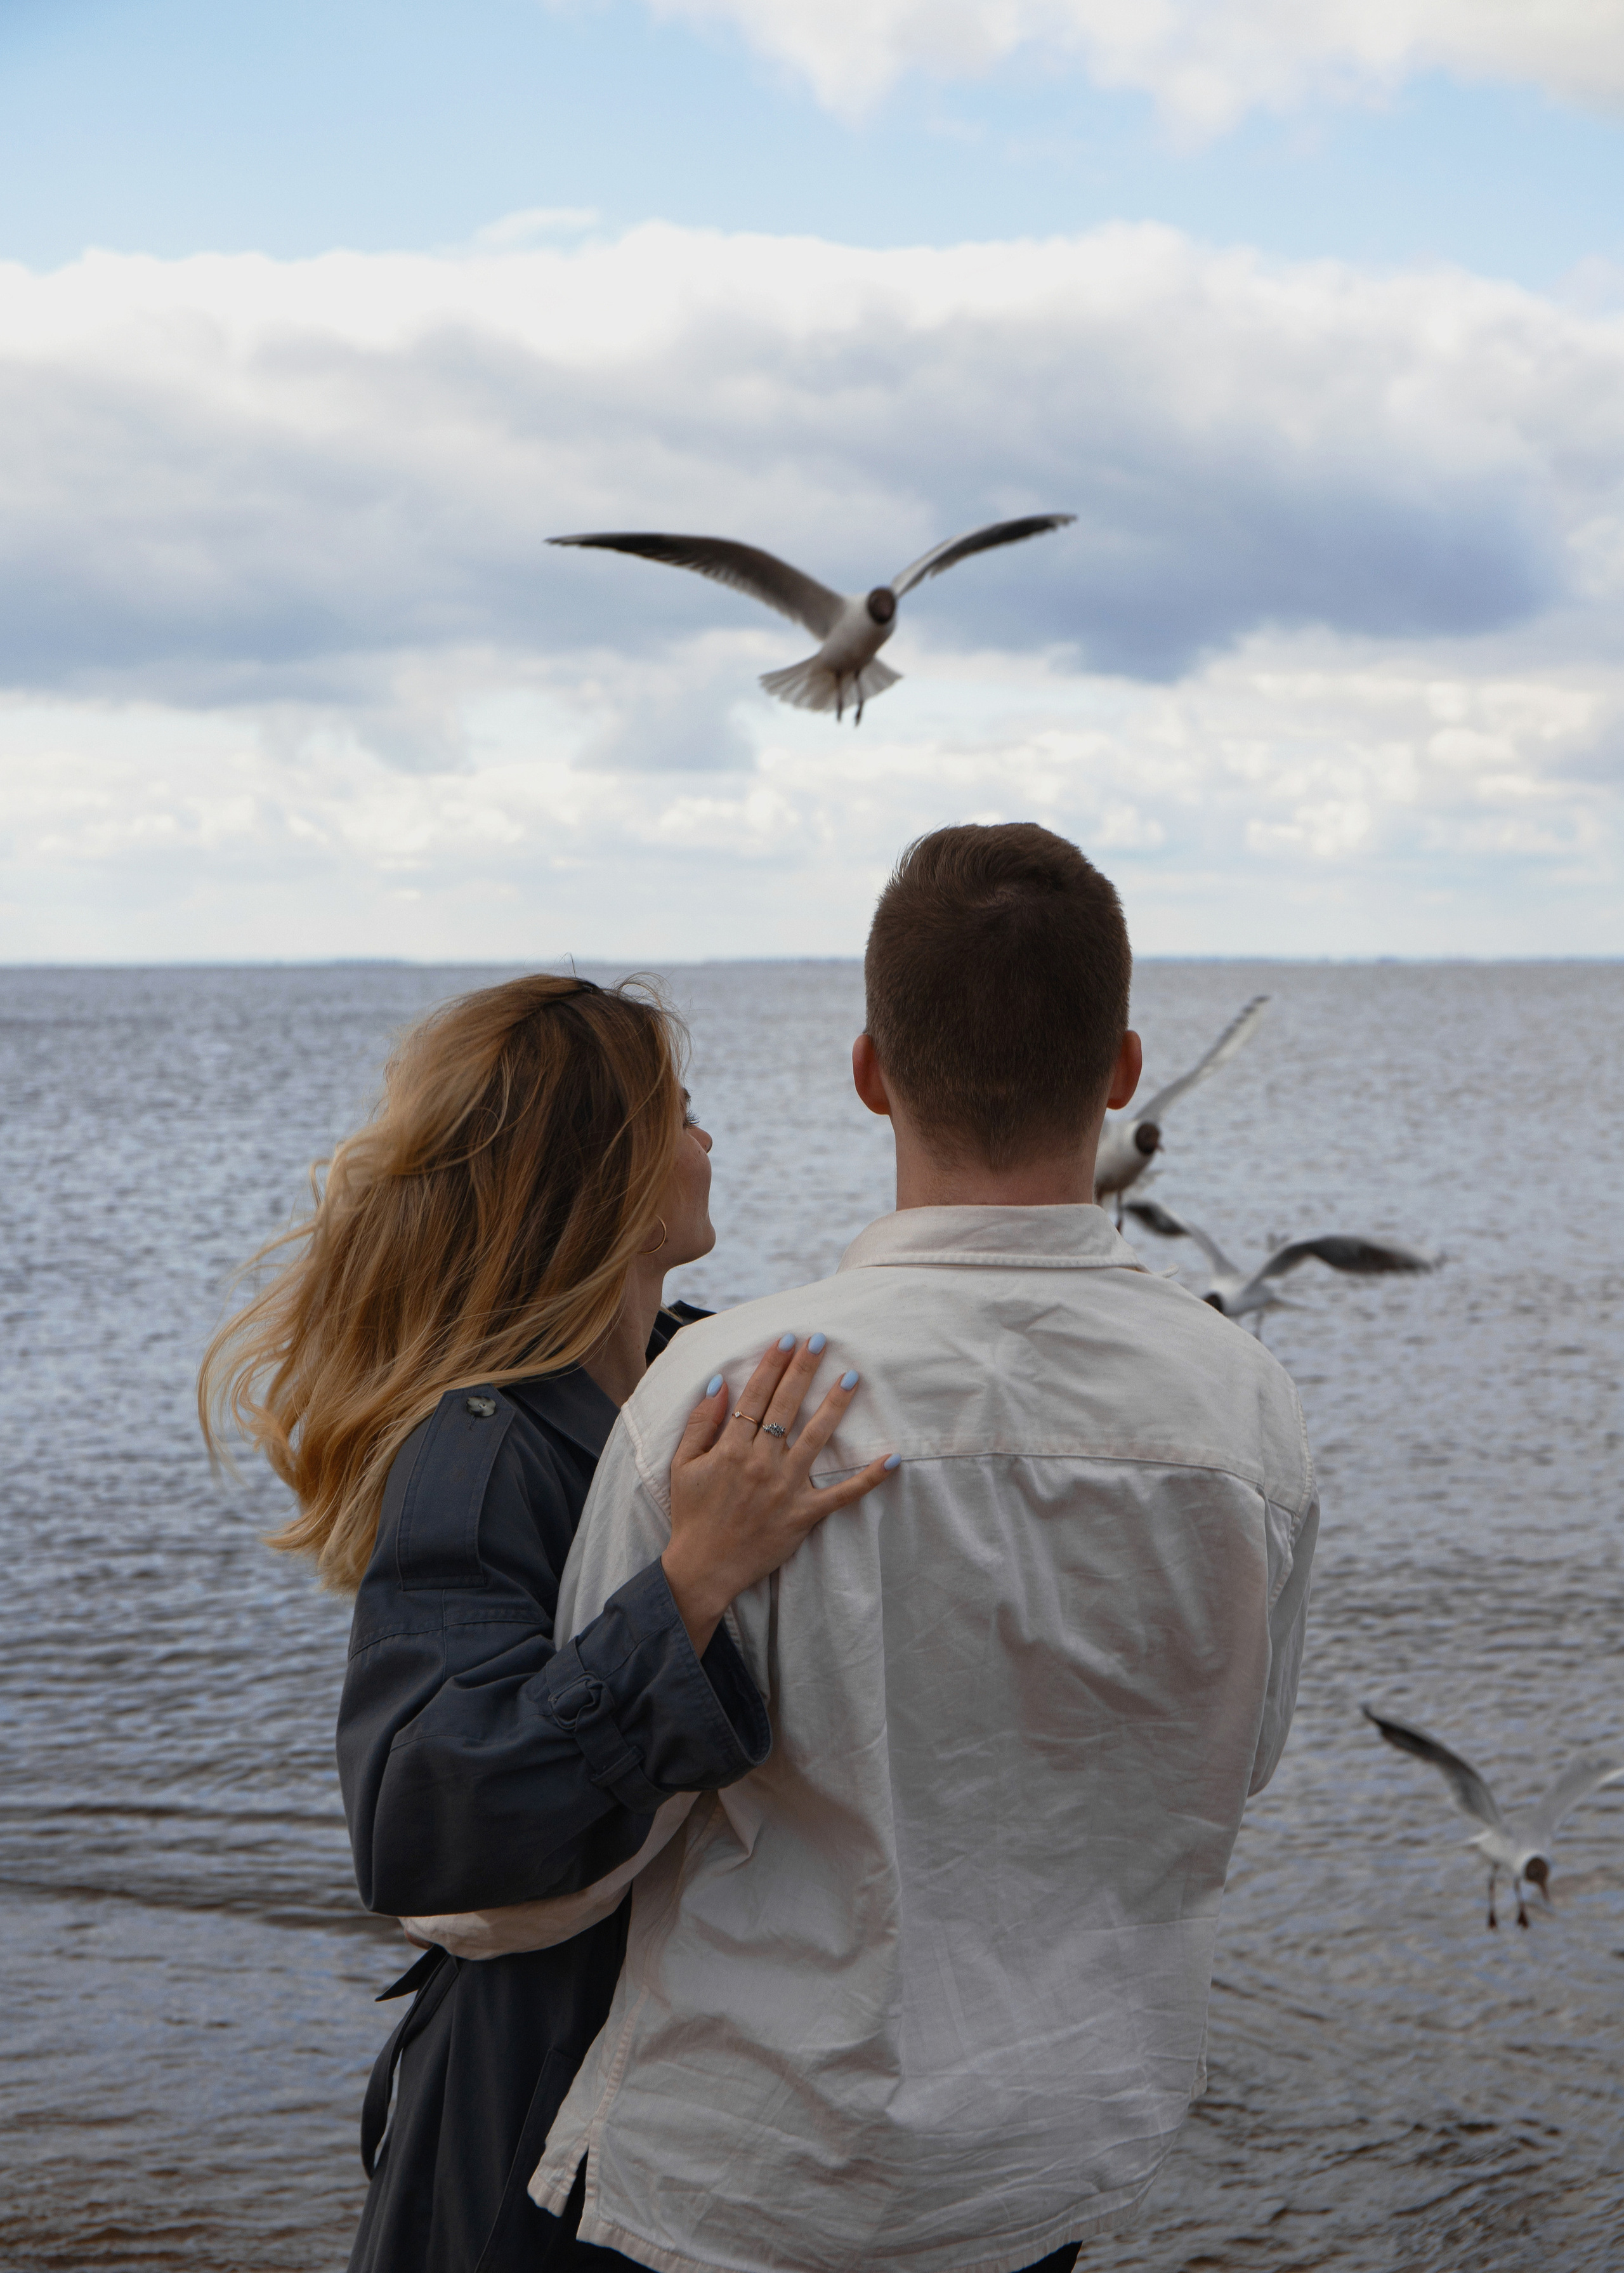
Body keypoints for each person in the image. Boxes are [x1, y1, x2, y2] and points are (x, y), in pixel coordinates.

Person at [522, 825, 1320, 2273]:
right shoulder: (1243, 1405)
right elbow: (1237, 1754)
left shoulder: (724, 1394)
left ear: (870, 1071)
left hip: (743, 2175)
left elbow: (576, 1839)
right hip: (1040, 2168)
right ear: (1122, 1070)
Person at [197, 972, 894, 2273]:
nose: (706, 1137)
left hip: (684, 2081)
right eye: (681, 1112)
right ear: (606, 1169)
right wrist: (691, 1580)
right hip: (531, 2119)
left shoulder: (693, 1377)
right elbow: (426, 1813)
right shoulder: (479, 1450)